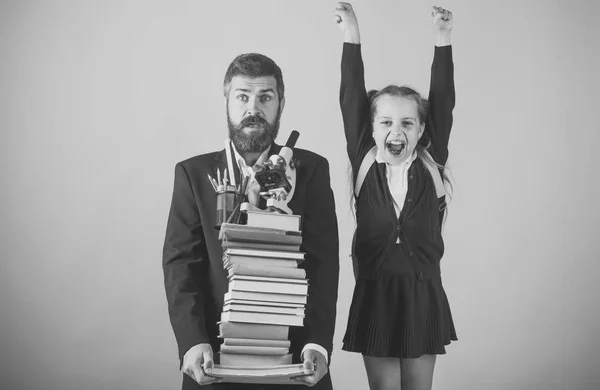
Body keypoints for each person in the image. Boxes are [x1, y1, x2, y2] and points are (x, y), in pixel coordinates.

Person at [162, 52, 340, 389]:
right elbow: (181, 264)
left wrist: (317, 343)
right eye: (242, 96)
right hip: (213, 356)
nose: (252, 109)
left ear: (281, 104)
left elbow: (323, 262)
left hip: (295, 355)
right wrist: (190, 341)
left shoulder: (312, 170)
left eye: (265, 97)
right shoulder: (193, 174)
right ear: (227, 100)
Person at [333, 3, 457, 390]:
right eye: (385, 122)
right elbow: (351, 93)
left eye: (406, 122)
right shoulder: (365, 159)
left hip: (422, 292)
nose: (395, 130)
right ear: (371, 129)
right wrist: (351, 33)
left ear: (422, 130)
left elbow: (443, 99)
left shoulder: (431, 161)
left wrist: (442, 37)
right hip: (377, 292)